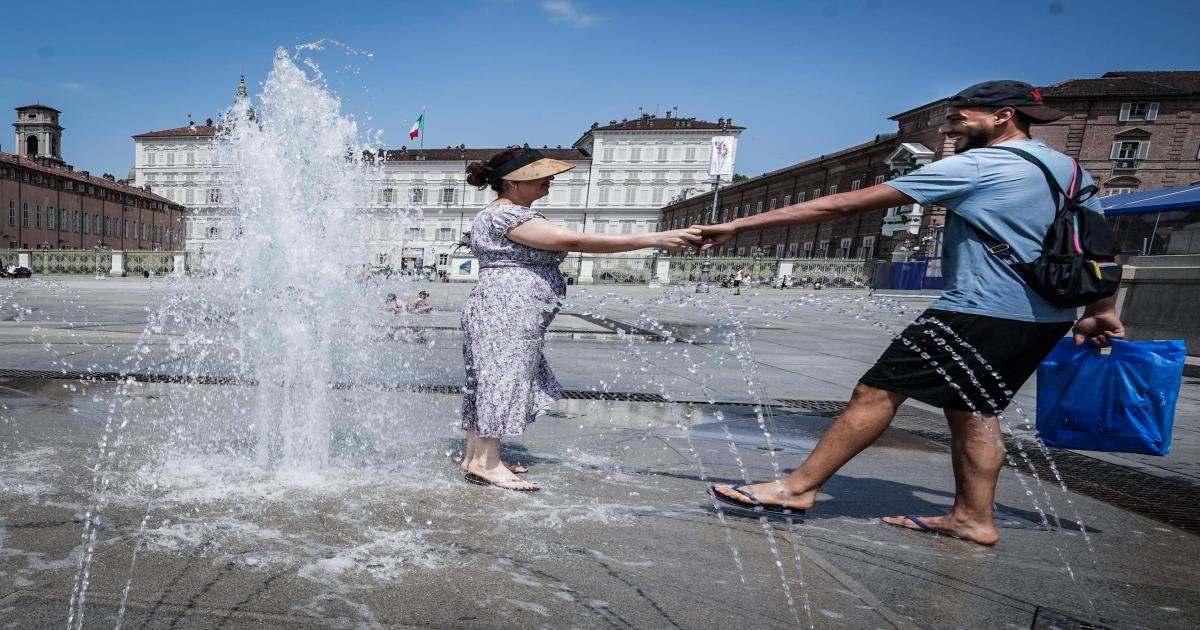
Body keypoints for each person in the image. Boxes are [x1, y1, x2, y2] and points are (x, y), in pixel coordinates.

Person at [700, 80, 1124, 545]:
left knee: (875, 392)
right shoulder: (1069, 170)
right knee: (973, 411)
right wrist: (1099, 308)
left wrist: (737, 224)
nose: (948, 127)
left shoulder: (980, 165)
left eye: (958, 118)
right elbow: (1100, 244)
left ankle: (798, 488)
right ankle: (973, 518)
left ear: (1003, 115)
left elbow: (844, 203)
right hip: (1044, 316)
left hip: (979, 309)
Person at [459, 147, 702, 491]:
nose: (551, 180)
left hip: (502, 304)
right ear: (513, 182)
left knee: (490, 377)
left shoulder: (505, 213)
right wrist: (653, 238)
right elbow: (572, 240)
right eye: (540, 175)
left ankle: (476, 457)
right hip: (508, 307)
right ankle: (487, 462)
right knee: (502, 376)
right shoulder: (507, 216)